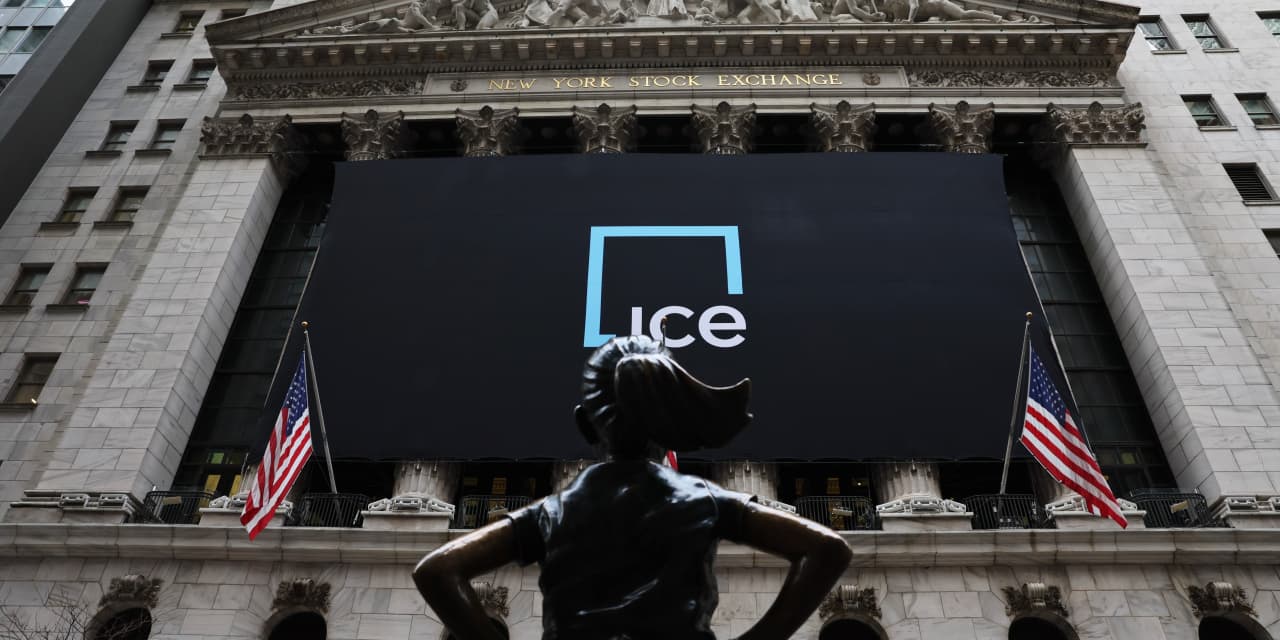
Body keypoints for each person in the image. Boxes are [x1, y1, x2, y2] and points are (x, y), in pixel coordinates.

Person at [414, 336, 852, 640]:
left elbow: (437, 570)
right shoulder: (703, 501)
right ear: (670, 424)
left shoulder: (553, 513)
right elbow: (827, 548)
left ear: (586, 424)